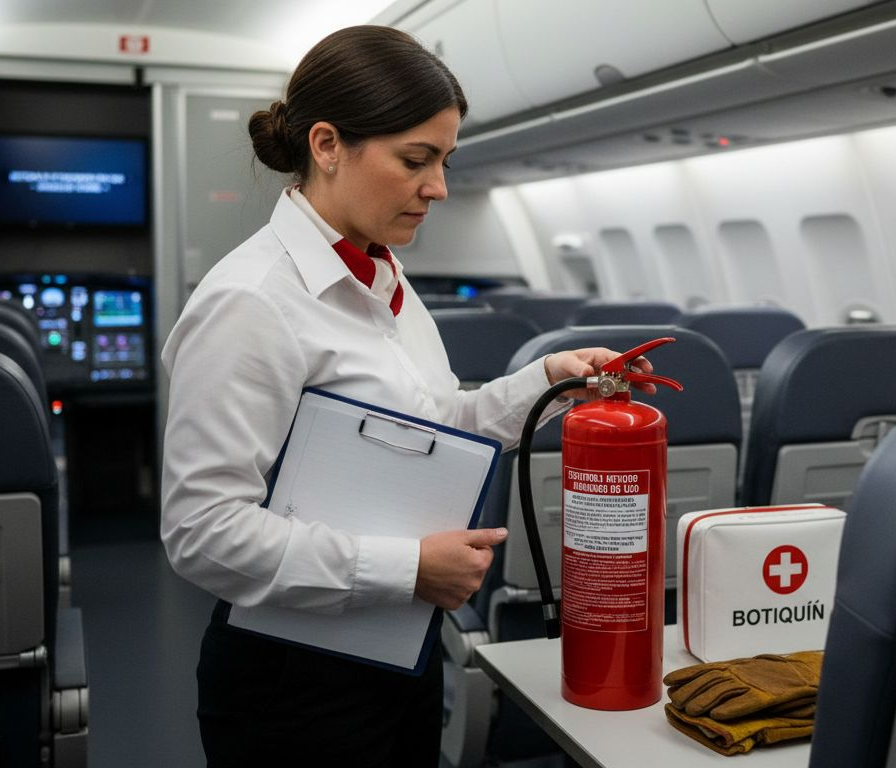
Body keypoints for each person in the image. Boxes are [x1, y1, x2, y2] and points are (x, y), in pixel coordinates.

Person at [160, 25, 651, 767]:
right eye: (416, 160)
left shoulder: (382, 275)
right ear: (326, 145)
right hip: (293, 687)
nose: (439, 188)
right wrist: (406, 569)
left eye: (445, 161)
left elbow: (431, 426)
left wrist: (548, 382)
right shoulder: (252, 302)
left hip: (399, 654)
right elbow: (202, 529)